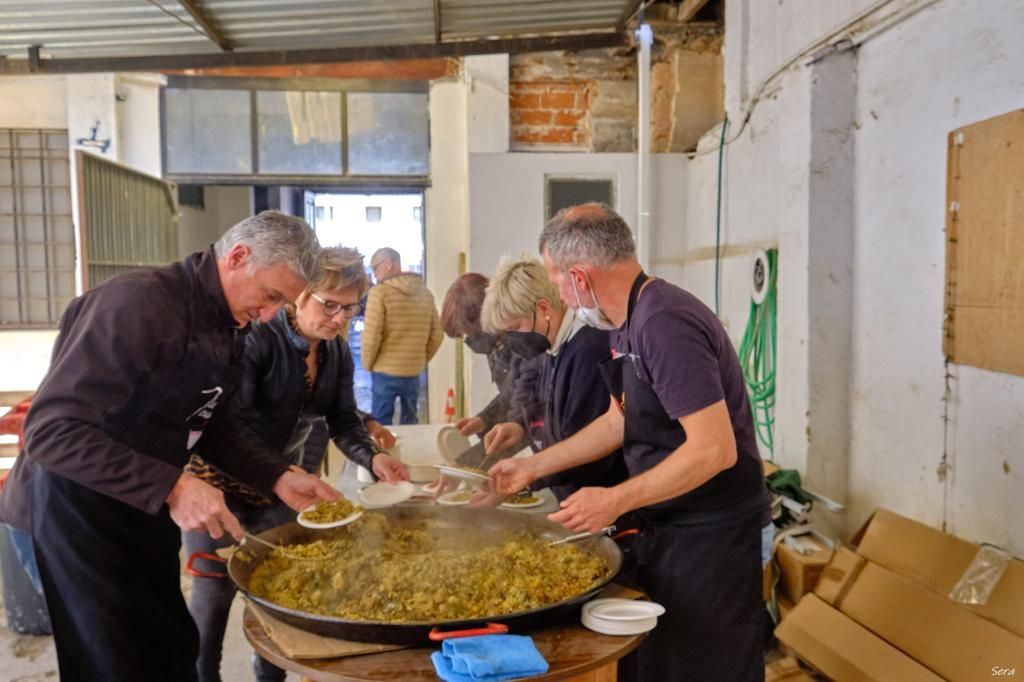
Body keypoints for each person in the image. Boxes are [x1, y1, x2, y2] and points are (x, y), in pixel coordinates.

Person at [0, 211, 341, 682]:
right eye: (269, 296)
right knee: (113, 664)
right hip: (73, 511)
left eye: (280, 305)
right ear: (238, 257)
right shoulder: (134, 306)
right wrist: (175, 487)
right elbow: (51, 432)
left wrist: (278, 476)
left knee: (173, 648)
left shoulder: (230, 325)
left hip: (142, 506)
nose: (267, 316)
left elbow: (214, 426)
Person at [489, 204, 771, 681]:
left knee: (708, 666)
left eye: (555, 278)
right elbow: (618, 420)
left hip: (713, 533)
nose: (556, 291)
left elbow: (714, 449)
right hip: (672, 525)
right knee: (663, 662)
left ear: (579, 277)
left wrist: (615, 499)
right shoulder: (628, 322)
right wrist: (531, 469)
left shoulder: (665, 323)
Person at [183, 246, 409, 682]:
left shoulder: (334, 350)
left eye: (351, 309)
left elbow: (342, 418)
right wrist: (283, 473)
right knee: (213, 598)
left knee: (279, 602)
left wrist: (374, 456)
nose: (340, 319)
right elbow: (231, 428)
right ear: (297, 296)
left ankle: (271, 678)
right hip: (220, 487)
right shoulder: (257, 339)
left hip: (281, 487)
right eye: (330, 305)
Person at [474, 257, 628, 502]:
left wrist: (526, 479)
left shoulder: (589, 350)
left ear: (544, 309)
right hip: (568, 493)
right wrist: (520, 428)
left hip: (597, 498)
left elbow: (590, 447)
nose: (513, 341)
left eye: (516, 327)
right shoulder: (551, 347)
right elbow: (550, 410)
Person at [361, 247, 443, 425]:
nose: (374, 274)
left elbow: (372, 335)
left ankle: (384, 453)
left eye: (375, 267)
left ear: (389, 265)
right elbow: (437, 334)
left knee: (381, 425)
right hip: (413, 371)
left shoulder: (379, 293)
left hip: (384, 370)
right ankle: (409, 453)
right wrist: (419, 359)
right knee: (410, 421)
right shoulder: (425, 293)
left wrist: (368, 363)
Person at [440, 273, 519, 437]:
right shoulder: (495, 343)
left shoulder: (521, 342)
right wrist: (483, 420)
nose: (467, 341)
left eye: (467, 334)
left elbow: (530, 408)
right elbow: (509, 394)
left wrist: (481, 455)